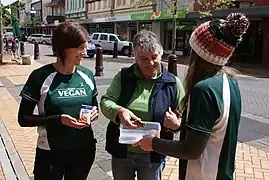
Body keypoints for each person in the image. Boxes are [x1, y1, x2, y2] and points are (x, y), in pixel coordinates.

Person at [133, 13, 250, 180]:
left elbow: (191, 150)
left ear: (200, 53)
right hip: (222, 172)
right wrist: (180, 125)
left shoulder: (204, 89)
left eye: (192, 49)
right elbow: (212, 130)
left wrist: (153, 143)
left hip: (202, 175)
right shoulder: (230, 82)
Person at [18, 22, 99, 180]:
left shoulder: (87, 75)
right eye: (80, 48)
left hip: (84, 150)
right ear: (64, 48)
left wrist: (94, 113)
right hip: (51, 152)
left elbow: (93, 105)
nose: (85, 52)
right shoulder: (40, 76)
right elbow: (23, 119)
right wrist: (58, 120)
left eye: (86, 46)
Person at [100, 30, 185, 180]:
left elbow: (185, 115)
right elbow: (106, 101)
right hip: (122, 151)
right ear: (135, 58)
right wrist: (119, 111)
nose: (150, 63)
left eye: (154, 57)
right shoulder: (123, 77)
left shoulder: (172, 83)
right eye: (143, 58)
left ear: (161, 55)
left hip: (154, 154)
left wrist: (177, 124)